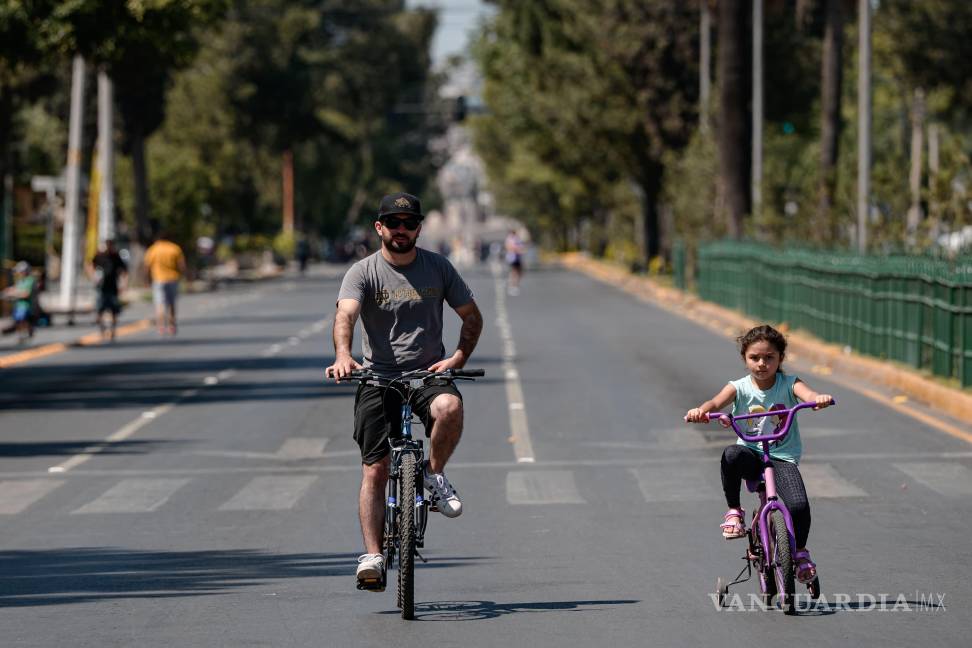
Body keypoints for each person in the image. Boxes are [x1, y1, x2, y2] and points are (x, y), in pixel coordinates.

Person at [325, 191, 484, 590]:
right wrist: (344, 355)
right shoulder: (363, 272)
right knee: (375, 469)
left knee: (449, 407)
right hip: (377, 377)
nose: (401, 230)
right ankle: (373, 556)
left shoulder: (438, 268)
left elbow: (471, 315)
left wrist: (459, 357)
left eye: (408, 223)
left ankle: (433, 473)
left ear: (418, 228)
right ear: (379, 228)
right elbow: (345, 314)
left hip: (427, 373)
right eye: (392, 223)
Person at [684, 324, 833, 586]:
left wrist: (818, 399)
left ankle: (799, 553)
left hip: (782, 458)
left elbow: (807, 395)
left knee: (798, 505)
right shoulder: (739, 387)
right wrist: (702, 410)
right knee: (731, 455)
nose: (762, 363)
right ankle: (734, 511)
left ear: (780, 359)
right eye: (755, 358)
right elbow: (716, 403)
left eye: (769, 357)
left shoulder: (789, 383)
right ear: (745, 359)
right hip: (751, 454)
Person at [143, 231, 186, 336]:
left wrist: (146, 279)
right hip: (173, 278)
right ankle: (172, 326)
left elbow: (147, 266)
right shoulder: (175, 248)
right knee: (171, 303)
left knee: (160, 304)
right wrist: (183, 276)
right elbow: (182, 265)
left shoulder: (153, 249)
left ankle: (161, 326)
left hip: (158, 279)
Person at [88, 239, 128, 340]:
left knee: (114, 310)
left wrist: (124, 284)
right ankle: (102, 331)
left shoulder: (116, 256)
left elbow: (124, 270)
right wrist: (93, 276)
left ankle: (112, 332)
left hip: (113, 287)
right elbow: (90, 265)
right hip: (101, 287)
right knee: (100, 310)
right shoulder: (99, 256)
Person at [3, 261, 38, 344]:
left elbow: (26, 294)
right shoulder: (20, 281)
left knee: (22, 319)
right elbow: (15, 289)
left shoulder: (30, 280)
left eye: (20, 271)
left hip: (26, 305)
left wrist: (15, 294)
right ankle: (22, 334)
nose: (18, 273)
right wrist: (8, 291)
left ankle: (26, 333)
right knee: (18, 320)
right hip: (19, 305)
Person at [504, 229, 525, 295]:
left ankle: (515, 283)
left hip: (518, 258)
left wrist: (520, 250)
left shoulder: (518, 239)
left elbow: (522, 247)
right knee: (514, 271)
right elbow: (509, 247)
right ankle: (513, 285)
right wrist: (517, 249)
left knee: (520, 272)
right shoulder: (509, 238)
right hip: (512, 258)